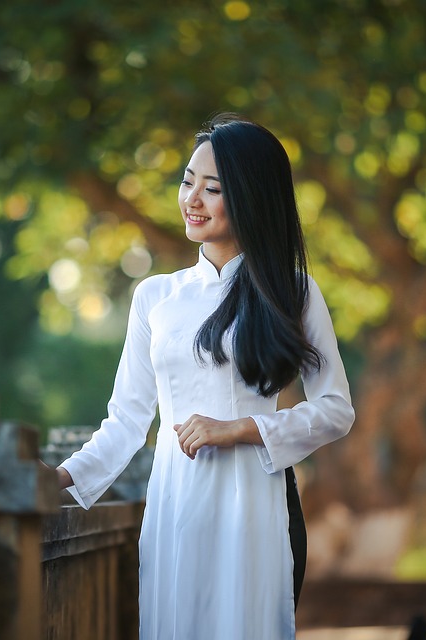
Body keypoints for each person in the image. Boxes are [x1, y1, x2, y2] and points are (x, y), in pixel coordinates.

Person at [54, 114, 355, 639]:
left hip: (256, 507)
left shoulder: (293, 291)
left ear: (251, 197)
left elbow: (335, 409)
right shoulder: (156, 297)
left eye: (212, 188)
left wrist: (239, 428)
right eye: (187, 181)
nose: (192, 198)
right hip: (174, 507)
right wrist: (61, 478)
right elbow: (126, 421)